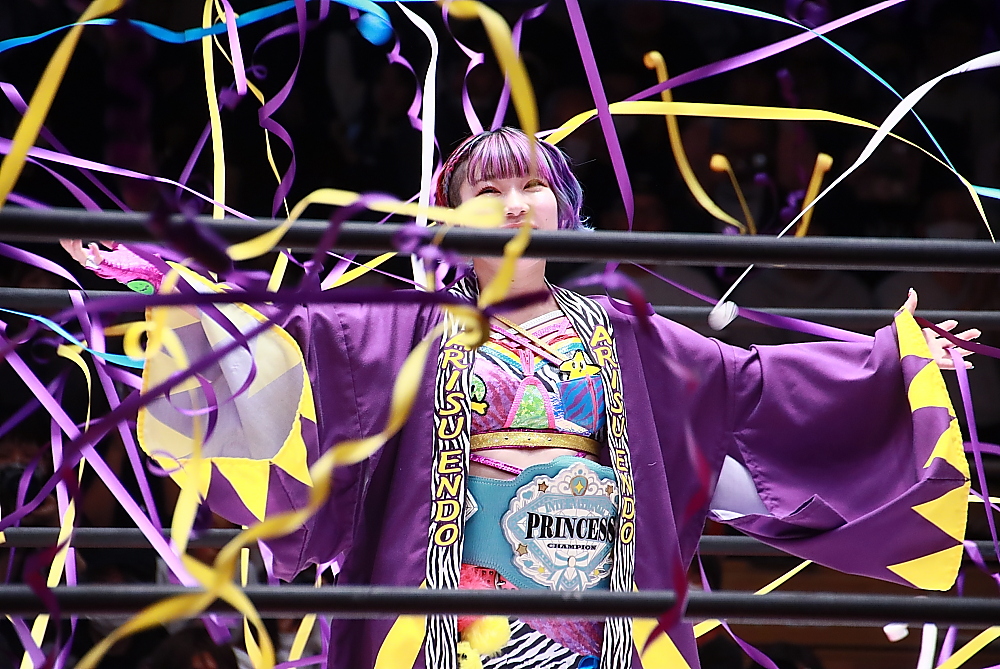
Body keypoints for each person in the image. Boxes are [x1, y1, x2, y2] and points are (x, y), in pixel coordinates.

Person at [66, 127, 976, 669]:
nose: (513, 203)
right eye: (489, 189)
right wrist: (175, 284)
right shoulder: (399, 327)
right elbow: (286, 343)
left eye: (532, 186)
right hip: (453, 622)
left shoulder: (630, 333)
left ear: (564, 210)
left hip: (596, 618)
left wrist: (898, 359)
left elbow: (759, 386)